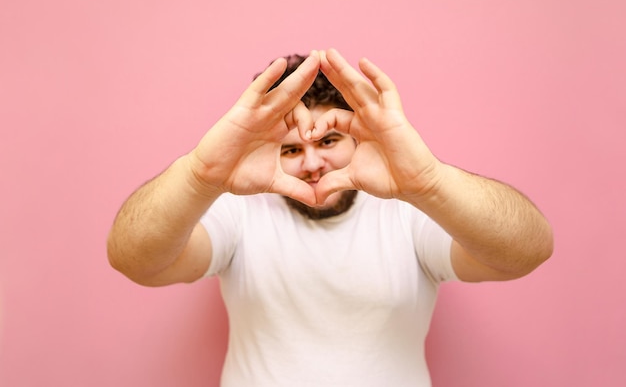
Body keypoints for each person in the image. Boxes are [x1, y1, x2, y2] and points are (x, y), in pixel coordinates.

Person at [107, 49, 553, 386]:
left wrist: (428, 183)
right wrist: (201, 175)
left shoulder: (408, 212)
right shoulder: (240, 210)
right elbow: (136, 261)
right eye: (291, 148)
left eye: (329, 140)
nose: (312, 164)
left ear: (359, 136)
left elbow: (525, 253)